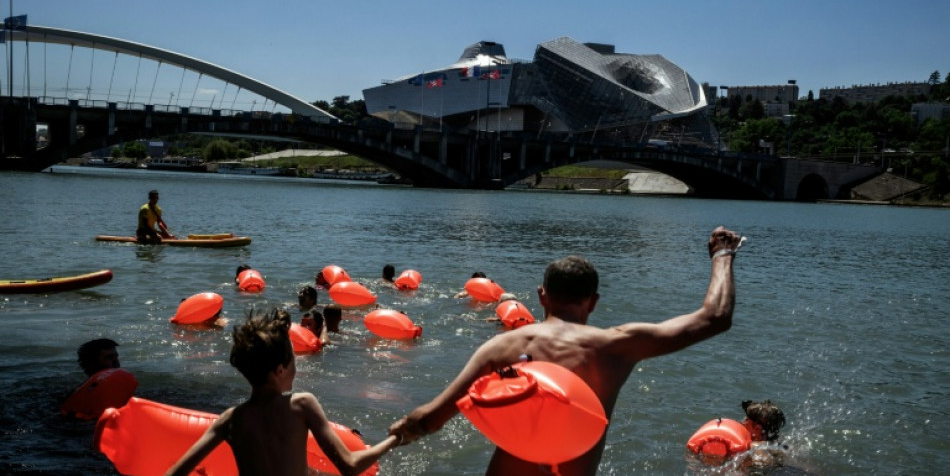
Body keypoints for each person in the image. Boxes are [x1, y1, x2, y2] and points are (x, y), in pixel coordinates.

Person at [389, 226, 743, 476]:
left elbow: (430, 420)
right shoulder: (614, 347)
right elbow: (714, 318)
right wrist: (722, 254)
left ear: (541, 295)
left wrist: (402, 430)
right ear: (594, 302)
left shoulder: (502, 346)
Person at [166, 308, 400, 476]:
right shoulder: (301, 405)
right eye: (293, 360)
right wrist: (393, 440)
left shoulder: (231, 419)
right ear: (280, 370)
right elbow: (349, 466)